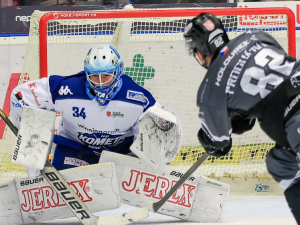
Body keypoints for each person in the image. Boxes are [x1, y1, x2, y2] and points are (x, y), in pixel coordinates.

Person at [184, 13, 300, 224]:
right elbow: (278, 70)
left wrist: (220, 131)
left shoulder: (209, 91)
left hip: (296, 119)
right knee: (281, 164)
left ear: (200, 53)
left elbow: (219, 143)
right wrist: (245, 109)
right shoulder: (255, 35)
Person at [10, 44, 179, 173]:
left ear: (118, 71)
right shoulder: (64, 89)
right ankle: (34, 181)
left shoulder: (136, 97)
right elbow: (20, 96)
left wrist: (154, 165)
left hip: (119, 155)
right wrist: (31, 144)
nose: (100, 82)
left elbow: (164, 125)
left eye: (106, 75)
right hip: (76, 151)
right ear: (86, 73)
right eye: (94, 76)